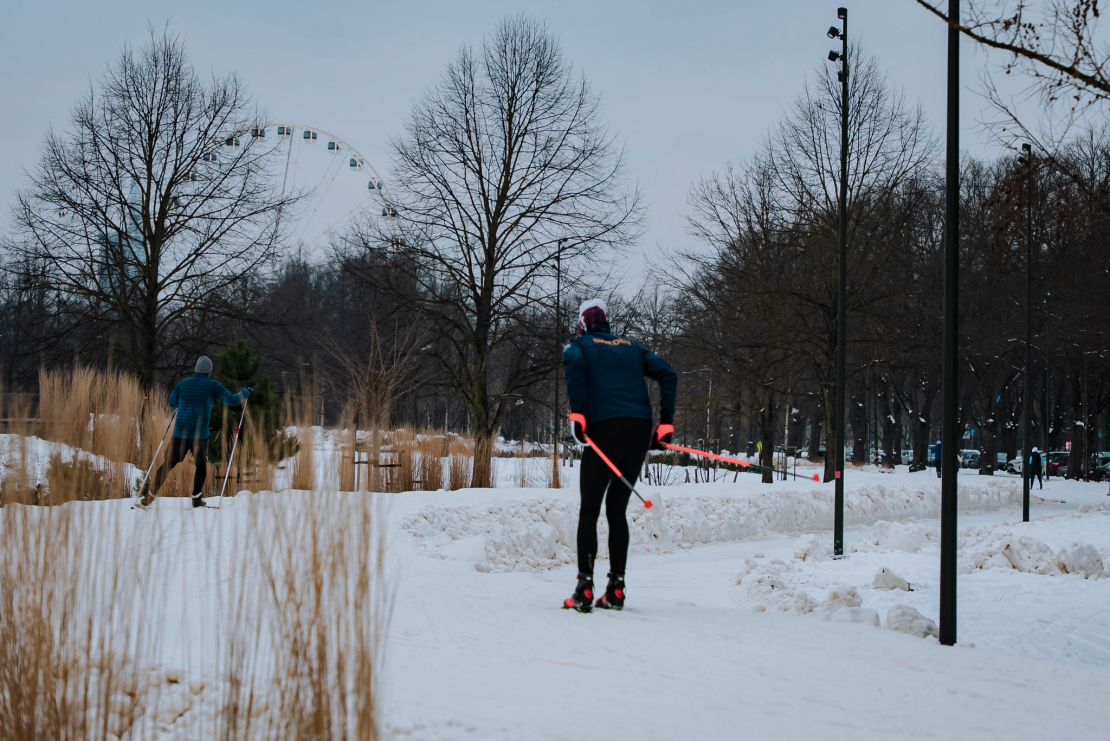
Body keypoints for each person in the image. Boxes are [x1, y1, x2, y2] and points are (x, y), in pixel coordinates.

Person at [561, 299, 677, 613]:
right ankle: (617, 588)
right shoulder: (632, 347)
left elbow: (574, 365)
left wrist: (578, 415)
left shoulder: (578, 344)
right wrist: (665, 423)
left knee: (589, 510)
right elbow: (668, 374)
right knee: (616, 510)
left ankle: (585, 588)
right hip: (639, 429)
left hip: (603, 429)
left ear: (582, 323)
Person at [135, 356, 250, 510]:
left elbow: (171, 403)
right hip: (200, 434)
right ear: (209, 371)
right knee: (201, 465)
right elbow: (232, 400)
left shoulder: (183, 383)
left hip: (179, 432)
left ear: (196, 369)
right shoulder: (212, 385)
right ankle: (196, 499)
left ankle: (148, 497)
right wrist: (246, 391)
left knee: (168, 464)